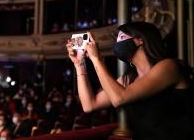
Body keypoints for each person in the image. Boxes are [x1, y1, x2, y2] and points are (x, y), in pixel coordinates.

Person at [66, 21, 194, 140]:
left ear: (140, 40)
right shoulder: (129, 78)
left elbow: (119, 98)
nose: (117, 43)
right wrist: (79, 64)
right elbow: (90, 105)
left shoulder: (169, 66)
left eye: (121, 38)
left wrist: (96, 59)